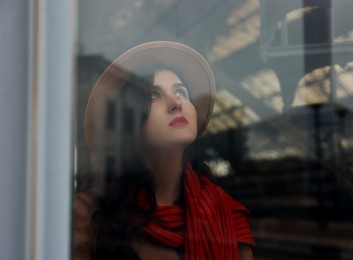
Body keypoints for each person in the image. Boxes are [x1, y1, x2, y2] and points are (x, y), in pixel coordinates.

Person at [75, 41, 255, 260]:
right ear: (129, 121)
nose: (176, 103)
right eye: (153, 95)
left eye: (181, 92)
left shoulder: (228, 214)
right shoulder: (88, 214)